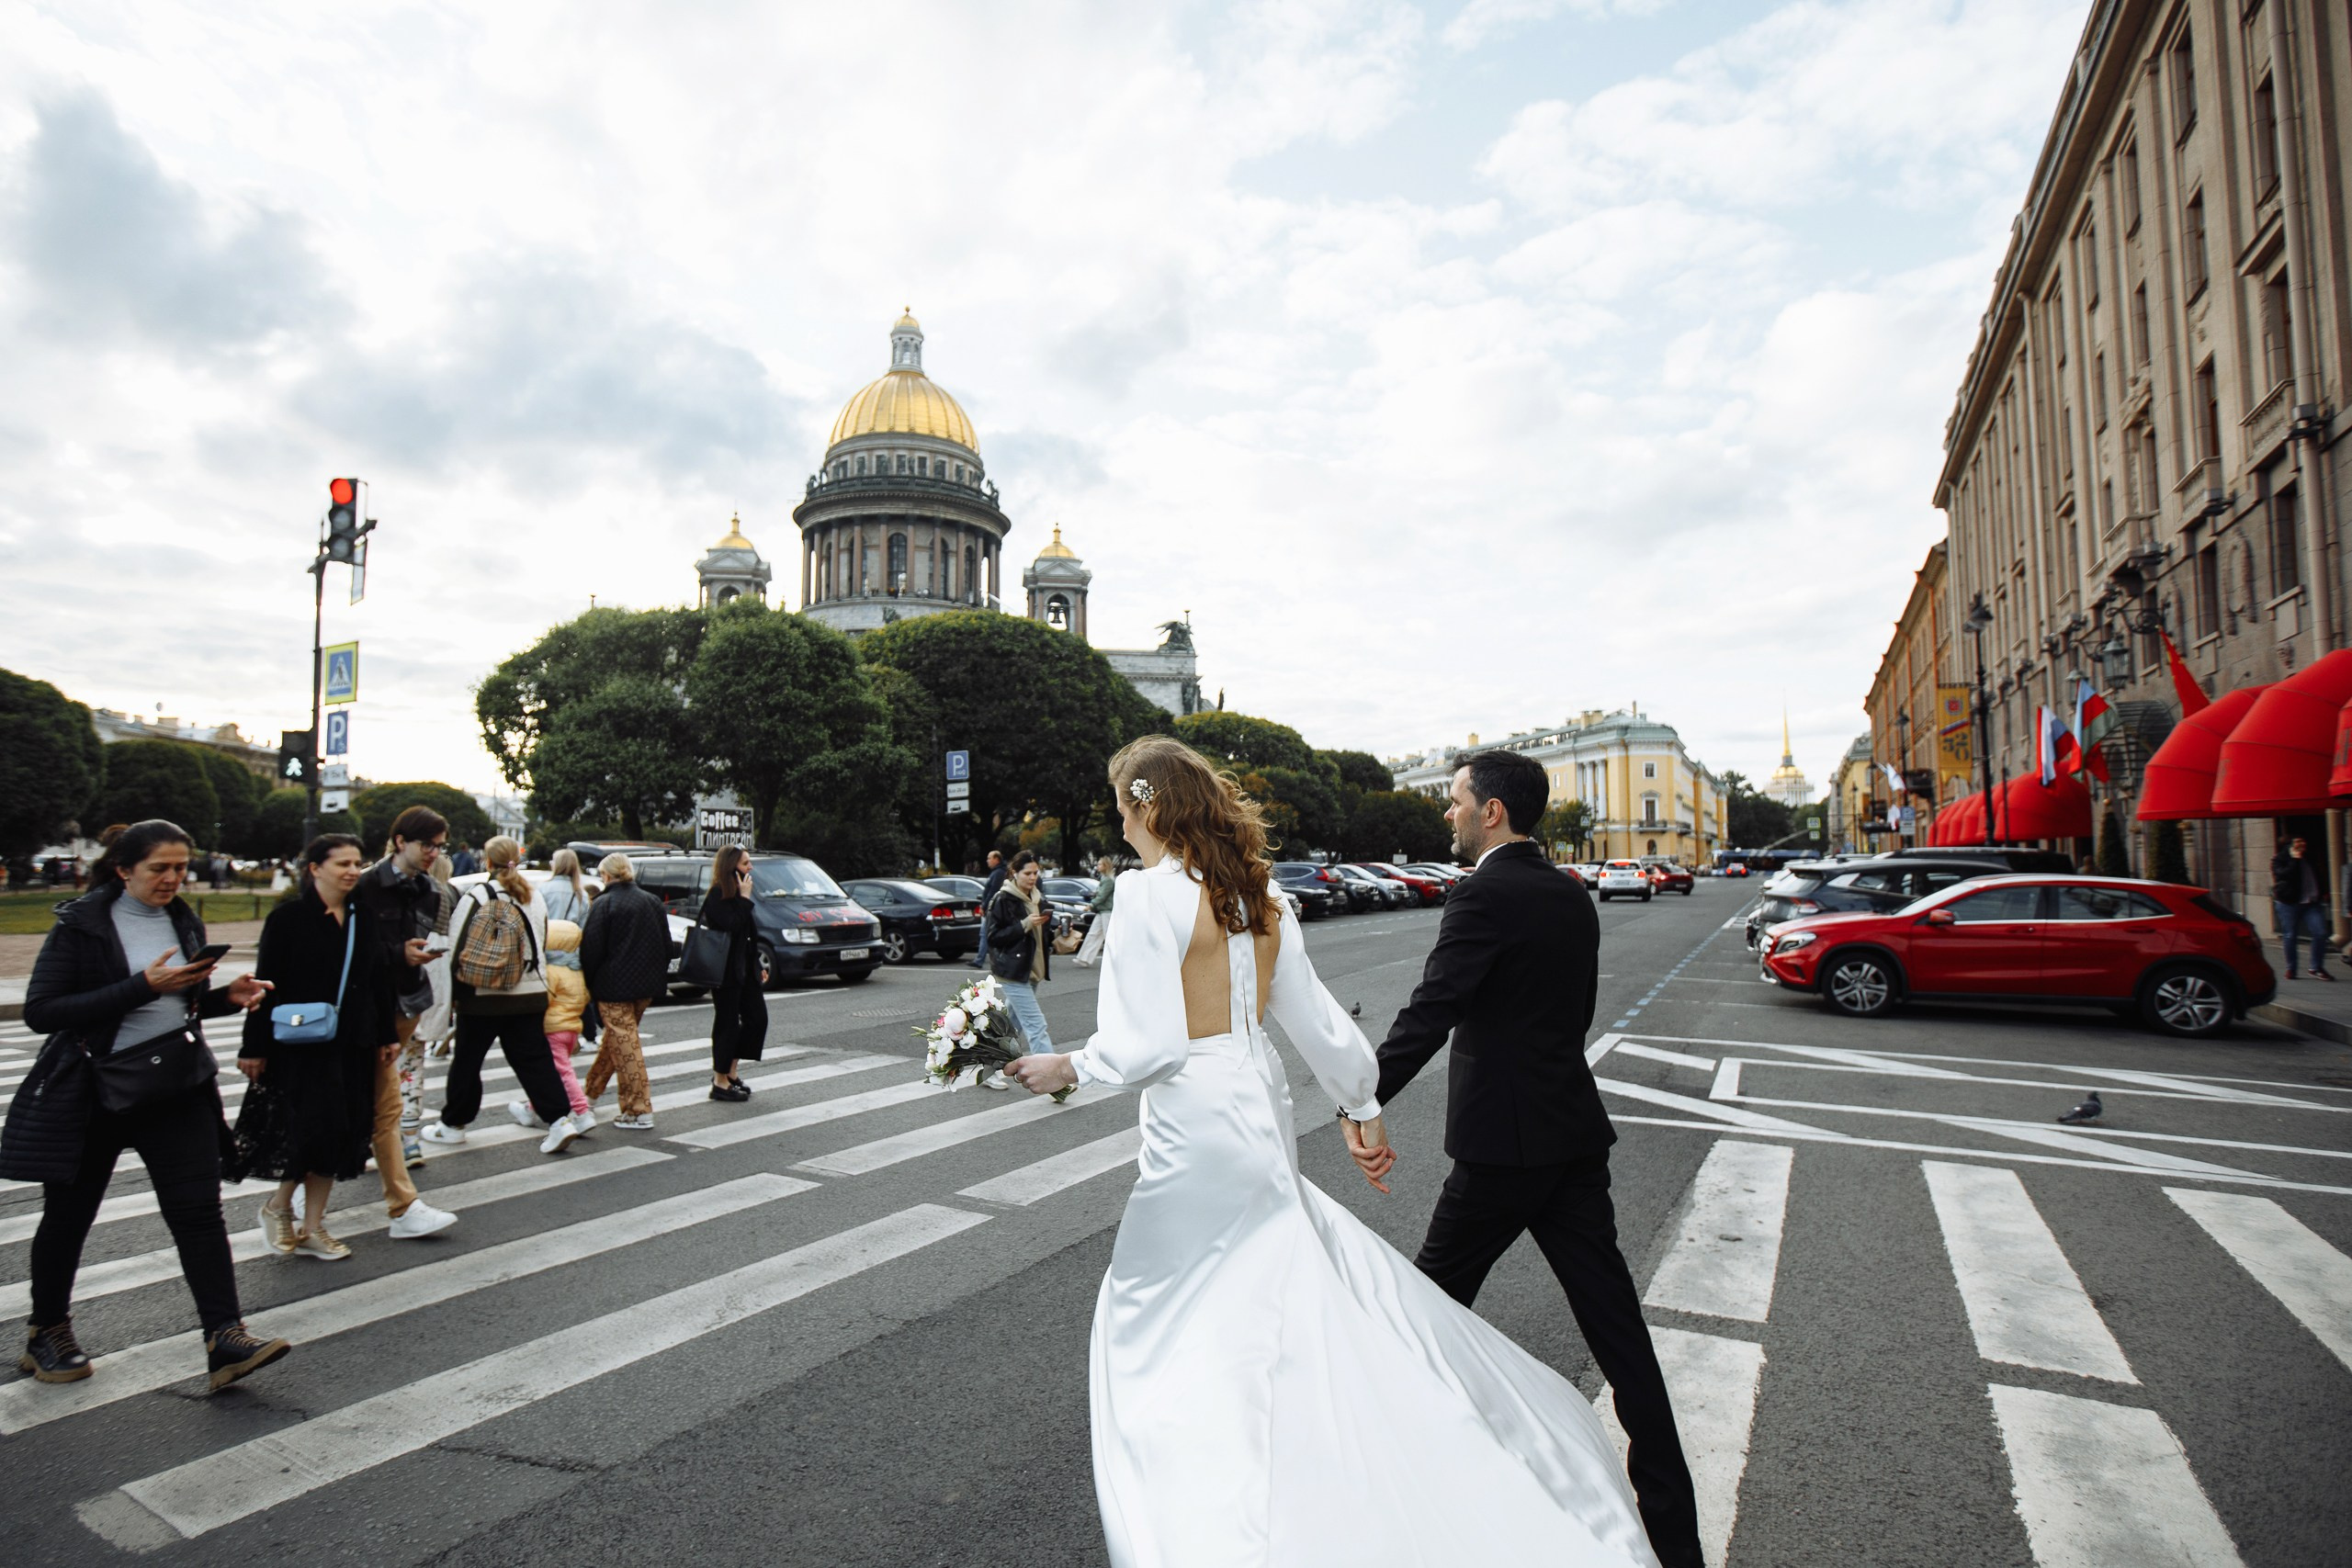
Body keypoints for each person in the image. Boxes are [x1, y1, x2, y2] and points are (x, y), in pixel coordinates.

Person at [1003, 738, 1659, 1566]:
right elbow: (1315, 1018)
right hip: (1260, 1101)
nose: (1121, 827)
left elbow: (1152, 1046)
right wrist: (1361, 1103)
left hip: (1195, 1119)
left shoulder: (1144, 895)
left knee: (1156, 1303)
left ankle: (1219, 1497)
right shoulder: (1260, 890)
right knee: (1264, 1279)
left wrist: (1070, 1064)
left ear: (1151, 807)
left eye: (1123, 810)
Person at [1358, 749, 1703, 1567]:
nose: (1447, 813)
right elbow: (1569, 1014)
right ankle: (1677, 1541)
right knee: (1622, 1339)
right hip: (1570, 1137)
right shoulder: (1569, 891)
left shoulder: (1482, 893)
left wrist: (1359, 1099)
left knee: (1421, 1319)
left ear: (1492, 811)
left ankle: (1393, 1496)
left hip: (1501, 1151)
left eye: (1455, 800)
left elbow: (1433, 1008)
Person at [3, 819, 289, 1392]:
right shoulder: (81, 924)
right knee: (69, 1216)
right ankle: (47, 1331)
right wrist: (143, 986)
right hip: (94, 1090)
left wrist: (223, 998)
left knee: (198, 1213)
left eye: (181, 867)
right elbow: (43, 1011)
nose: (173, 878)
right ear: (123, 869)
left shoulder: (183, 917)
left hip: (174, 1085)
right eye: (159, 868)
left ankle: (225, 1337)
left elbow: (177, 1004)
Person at [230, 834, 406, 1261]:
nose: (352, 871)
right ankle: (279, 1207)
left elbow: (378, 980)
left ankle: (312, 1226)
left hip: (353, 1042)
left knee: (339, 1132)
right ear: (315, 868)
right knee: (306, 1130)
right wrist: (253, 1047)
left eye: (357, 863)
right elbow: (264, 986)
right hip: (300, 1045)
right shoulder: (288, 919)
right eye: (342, 863)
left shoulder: (362, 916)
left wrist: (386, 1035)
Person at [420, 835, 582, 1154]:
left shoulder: (478, 895)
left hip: (482, 994)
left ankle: (453, 1125)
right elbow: (541, 941)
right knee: (534, 1060)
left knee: (468, 1061)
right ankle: (559, 1120)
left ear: (487, 861)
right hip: (531, 992)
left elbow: (456, 944)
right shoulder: (533, 896)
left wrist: (452, 994)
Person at [349, 807, 459, 1235]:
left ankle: (402, 1206)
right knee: (372, 1105)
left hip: (404, 1006)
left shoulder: (431, 890)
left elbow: (421, 940)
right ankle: (400, 1206)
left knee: (383, 1107)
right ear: (400, 841)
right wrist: (399, 954)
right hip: (365, 1010)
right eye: (426, 844)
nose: (434, 852)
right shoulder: (365, 885)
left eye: (439, 846)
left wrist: (418, 957)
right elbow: (350, 952)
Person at [581, 852, 666, 1130]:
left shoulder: (604, 903)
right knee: (617, 1042)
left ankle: (638, 1109)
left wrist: (588, 983)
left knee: (625, 1046)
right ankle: (587, 1097)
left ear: (606, 875)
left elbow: (591, 949)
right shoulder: (652, 901)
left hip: (612, 986)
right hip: (645, 985)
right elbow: (666, 945)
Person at [698, 844, 766, 1101]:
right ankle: (720, 1081)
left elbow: (749, 937)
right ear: (731, 867)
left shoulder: (739, 894)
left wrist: (757, 965)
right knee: (726, 1024)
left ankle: (731, 1071)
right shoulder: (717, 894)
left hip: (746, 970)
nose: (750, 868)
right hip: (725, 971)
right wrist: (745, 900)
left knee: (757, 1019)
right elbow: (732, 926)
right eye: (745, 863)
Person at [983, 851, 1053, 1086]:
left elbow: (1039, 937)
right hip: (1012, 973)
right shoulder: (1003, 899)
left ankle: (987, 1069)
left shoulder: (1037, 898)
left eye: (1036, 873)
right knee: (1036, 1026)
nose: (1033, 877)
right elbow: (993, 937)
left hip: (1032, 972)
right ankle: (1053, 1079)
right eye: (1027, 873)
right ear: (1014, 872)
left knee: (1010, 1026)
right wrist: (1024, 924)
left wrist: (1059, 934)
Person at [539, 919, 597, 1127]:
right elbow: (585, 998)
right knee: (551, 1071)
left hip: (553, 1028)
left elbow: (544, 1000)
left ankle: (582, 1111)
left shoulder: (551, 971)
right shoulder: (576, 970)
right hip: (572, 1029)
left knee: (562, 1072)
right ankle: (532, 1107)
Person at [2271, 835, 2334, 981]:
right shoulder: (2280, 859)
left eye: (2303, 841)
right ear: (2290, 844)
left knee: (2320, 933)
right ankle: (2291, 969)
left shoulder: (2310, 857)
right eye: (2298, 842)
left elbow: (2319, 874)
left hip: (2312, 902)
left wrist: (2323, 891)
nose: (2302, 844)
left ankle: (2316, 967)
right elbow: (2283, 875)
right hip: (2289, 903)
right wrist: (2295, 859)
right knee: (2290, 935)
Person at [1072, 854, 1116, 966]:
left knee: (1109, 936)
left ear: (1106, 866)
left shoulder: (1108, 880)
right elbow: (1100, 894)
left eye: (1100, 864)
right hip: (1102, 911)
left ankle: (1116, 959)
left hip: (1106, 911)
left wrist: (1091, 905)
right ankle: (1084, 958)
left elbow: (1102, 896)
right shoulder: (1105, 879)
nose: (1098, 866)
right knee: (1093, 934)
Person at [969, 848, 1007, 969]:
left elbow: (993, 891)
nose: (987, 861)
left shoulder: (999, 873)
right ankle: (982, 959)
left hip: (993, 908)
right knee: (986, 934)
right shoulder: (996, 872)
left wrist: (984, 906)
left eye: (989, 858)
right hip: (992, 907)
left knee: (986, 933)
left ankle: (981, 960)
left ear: (996, 859)